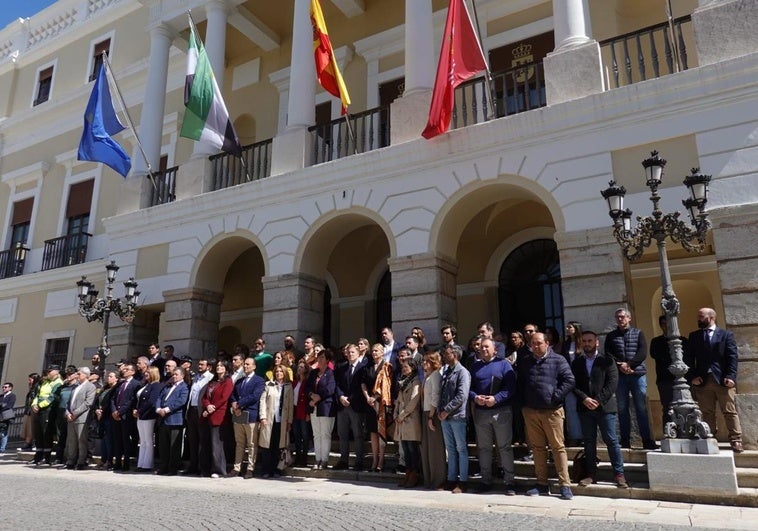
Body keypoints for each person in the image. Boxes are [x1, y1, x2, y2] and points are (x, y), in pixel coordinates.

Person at [519, 332, 575, 500]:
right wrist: (524, 403)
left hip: (552, 412)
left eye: (539, 343)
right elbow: (520, 382)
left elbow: (569, 380)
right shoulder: (525, 361)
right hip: (531, 411)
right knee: (537, 448)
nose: (535, 346)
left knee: (558, 448)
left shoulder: (558, 360)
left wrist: (555, 396)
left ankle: (565, 485)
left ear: (547, 343)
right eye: (533, 344)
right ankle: (542, 483)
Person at [571, 331, 627, 488]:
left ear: (597, 343)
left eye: (590, 341)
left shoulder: (608, 361)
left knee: (612, 441)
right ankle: (590, 474)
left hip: (605, 408)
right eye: (584, 341)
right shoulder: (576, 363)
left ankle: (619, 474)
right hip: (584, 408)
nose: (587, 343)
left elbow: (612, 383)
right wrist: (585, 399)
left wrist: (597, 400)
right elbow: (572, 384)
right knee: (589, 442)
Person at [685, 307, 744, 453]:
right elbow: (688, 358)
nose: (698, 319)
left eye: (701, 316)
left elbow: (732, 357)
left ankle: (736, 439)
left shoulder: (725, 335)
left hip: (722, 380)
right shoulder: (694, 336)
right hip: (703, 381)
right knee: (707, 412)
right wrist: (692, 377)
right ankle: (710, 438)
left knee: (729, 411)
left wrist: (731, 377)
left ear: (711, 318)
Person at [468, 338, 517, 495]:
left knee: (504, 447)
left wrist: (496, 398)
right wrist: (475, 397)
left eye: (486, 347)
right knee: (484, 448)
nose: (483, 349)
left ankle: (510, 482)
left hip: (501, 411)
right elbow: (469, 388)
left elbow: (510, 388)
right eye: (481, 347)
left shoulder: (504, 364)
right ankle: (485, 480)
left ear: (495, 349)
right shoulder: (474, 367)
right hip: (481, 412)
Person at [604, 308, 656, 450]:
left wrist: (630, 364)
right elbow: (608, 353)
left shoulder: (638, 333)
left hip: (637, 374)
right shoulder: (611, 336)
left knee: (641, 407)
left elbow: (642, 352)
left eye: (622, 317)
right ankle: (625, 440)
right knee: (622, 408)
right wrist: (620, 365)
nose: (620, 319)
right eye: (617, 317)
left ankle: (647, 440)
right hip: (620, 376)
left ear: (629, 318)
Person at [438, 344, 470, 494]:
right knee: (450, 449)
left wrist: (446, 410)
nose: (444, 355)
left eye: (448, 353)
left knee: (461, 449)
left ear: (455, 355)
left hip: (457, 416)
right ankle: (451, 479)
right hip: (445, 417)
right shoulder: (447, 371)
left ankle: (462, 481)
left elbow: (461, 396)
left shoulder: (462, 372)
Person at [333, 343, 368, 471]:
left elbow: (362, 386)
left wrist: (350, 399)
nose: (350, 354)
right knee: (343, 434)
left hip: (356, 405)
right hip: (343, 406)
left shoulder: (362, 367)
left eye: (353, 352)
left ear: (358, 353)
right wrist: (341, 396)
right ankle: (344, 460)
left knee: (358, 434)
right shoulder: (342, 367)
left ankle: (359, 461)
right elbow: (337, 384)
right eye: (348, 352)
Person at [229, 357, 265, 478]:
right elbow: (233, 395)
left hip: (251, 416)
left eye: (248, 364)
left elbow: (255, 396)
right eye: (244, 364)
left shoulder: (259, 380)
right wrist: (234, 404)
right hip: (238, 415)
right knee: (239, 443)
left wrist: (239, 404)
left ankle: (250, 468)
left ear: (254, 366)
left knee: (251, 443)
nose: (245, 366)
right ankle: (236, 468)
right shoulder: (239, 381)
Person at [362, 343, 393, 473]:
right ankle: (374, 460)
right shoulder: (367, 367)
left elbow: (387, 385)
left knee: (381, 432)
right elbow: (363, 383)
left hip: (381, 403)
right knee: (373, 432)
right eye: (373, 351)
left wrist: (375, 397)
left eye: (376, 351)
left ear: (382, 352)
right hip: (369, 403)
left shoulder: (387, 367)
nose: (374, 353)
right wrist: (368, 397)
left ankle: (381, 460)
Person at [200, 360, 234, 478]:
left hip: (219, 415)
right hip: (207, 415)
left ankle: (218, 470)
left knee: (217, 445)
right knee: (206, 444)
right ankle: (205, 469)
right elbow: (204, 397)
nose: (219, 367)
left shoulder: (228, 381)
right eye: (217, 366)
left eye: (221, 366)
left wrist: (211, 407)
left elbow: (224, 398)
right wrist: (207, 405)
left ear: (226, 368)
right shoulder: (212, 382)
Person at [258, 365, 294, 478]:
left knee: (278, 446)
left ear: (284, 373)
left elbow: (290, 405)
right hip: (269, 419)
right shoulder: (268, 385)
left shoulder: (288, 387)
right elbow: (263, 401)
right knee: (267, 446)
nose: (278, 373)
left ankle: (277, 470)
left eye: (281, 371)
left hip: (282, 420)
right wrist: (262, 417)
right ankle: (265, 470)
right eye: (277, 371)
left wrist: (289, 421)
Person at [650, 315, 687, 420]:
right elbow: (655, 354)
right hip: (665, 380)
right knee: (667, 408)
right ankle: (669, 432)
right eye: (663, 324)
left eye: (669, 323)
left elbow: (688, 358)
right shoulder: (656, 342)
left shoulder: (683, 341)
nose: (666, 326)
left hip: (684, 379)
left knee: (686, 406)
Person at [155, 367, 189, 475]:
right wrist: (158, 408)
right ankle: (163, 466)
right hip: (163, 419)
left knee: (174, 446)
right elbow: (159, 397)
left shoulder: (184, 387)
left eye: (176, 374)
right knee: (163, 445)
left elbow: (181, 401)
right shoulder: (168, 386)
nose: (174, 376)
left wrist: (167, 409)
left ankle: (173, 468)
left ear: (182, 376)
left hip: (175, 419)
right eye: (173, 374)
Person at [182, 357, 213, 476]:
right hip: (192, 411)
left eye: (202, 365)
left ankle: (203, 467)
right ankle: (192, 465)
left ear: (208, 367)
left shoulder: (210, 378)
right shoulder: (195, 378)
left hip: (202, 412)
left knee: (203, 441)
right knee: (192, 440)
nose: (199, 366)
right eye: (199, 364)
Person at [420, 351, 446, 490]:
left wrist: (431, 416)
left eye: (426, 361)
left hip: (433, 413)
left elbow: (435, 397)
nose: (424, 363)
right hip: (425, 412)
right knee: (428, 447)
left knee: (435, 448)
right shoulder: (427, 376)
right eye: (423, 361)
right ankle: (429, 478)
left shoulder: (436, 376)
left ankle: (439, 479)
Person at [394, 359, 422, 488]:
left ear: (412, 367)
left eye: (406, 367)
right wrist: (396, 413)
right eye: (402, 367)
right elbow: (398, 400)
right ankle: (407, 473)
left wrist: (402, 415)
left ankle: (414, 475)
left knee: (412, 449)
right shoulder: (403, 381)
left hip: (410, 419)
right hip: (402, 419)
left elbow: (413, 401)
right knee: (405, 449)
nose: (403, 368)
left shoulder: (415, 381)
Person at [307, 350, 336, 470]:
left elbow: (330, 389)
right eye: (318, 357)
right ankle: (317, 459)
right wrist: (311, 395)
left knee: (325, 434)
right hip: (314, 406)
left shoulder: (331, 373)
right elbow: (308, 386)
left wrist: (318, 397)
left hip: (326, 407)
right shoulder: (313, 373)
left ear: (328, 360)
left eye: (322, 357)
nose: (320, 359)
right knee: (316, 434)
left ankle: (324, 460)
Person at [63, 367, 96, 469]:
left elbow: (88, 403)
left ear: (86, 375)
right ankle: (70, 461)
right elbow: (68, 403)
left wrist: (75, 413)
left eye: (79, 374)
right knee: (71, 440)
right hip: (71, 417)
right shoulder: (75, 387)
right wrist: (67, 413)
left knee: (81, 440)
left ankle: (81, 461)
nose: (77, 376)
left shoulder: (90, 387)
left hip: (81, 418)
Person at [31, 366, 63, 465]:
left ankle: (46, 457)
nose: (47, 373)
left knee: (46, 434)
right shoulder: (45, 382)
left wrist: (39, 406)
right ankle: (38, 456)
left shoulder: (58, 383)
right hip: (39, 410)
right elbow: (38, 395)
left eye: (50, 371)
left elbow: (52, 397)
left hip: (48, 410)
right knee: (38, 433)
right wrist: (34, 404)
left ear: (56, 372)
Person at [111, 363, 140, 471]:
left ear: (133, 372)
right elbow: (113, 398)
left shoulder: (136, 384)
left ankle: (126, 462)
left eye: (127, 369)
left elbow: (131, 400)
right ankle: (117, 461)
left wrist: (120, 411)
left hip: (126, 416)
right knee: (117, 440)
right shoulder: (120, 384)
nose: (124, 371)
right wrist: (114, 411)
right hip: (116, 416)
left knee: (125, 440)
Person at [134, 367, 162, 472]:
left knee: (148, 440)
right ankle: (141, 463)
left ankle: (147, 464)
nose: (146, 374)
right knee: (143, 440)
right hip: (141, 415)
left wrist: (139, 410)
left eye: (148, 373)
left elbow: (151, 401)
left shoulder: (156, 386)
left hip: (148, 415)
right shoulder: (146, 385)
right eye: (146, 373)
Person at [561, 321, 584, 447]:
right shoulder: (566, 343)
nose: (567, 329)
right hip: (569, 379)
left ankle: (586, 435)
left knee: (584, 408)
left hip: (582, 378)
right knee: (571, 408)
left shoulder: (583, 342)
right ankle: (575, 436)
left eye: (570, 327)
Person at [54, 366, 79, 464]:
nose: (68, 376)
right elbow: (56, 397)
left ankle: (71, 458)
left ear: (75, 375)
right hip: (61, 414)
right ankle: (59, 457)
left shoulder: (77, 387)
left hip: (72, 414)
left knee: (72, 437)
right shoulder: (62, 387)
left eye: (70, 374)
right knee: (61, 436)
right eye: (66, 374)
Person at [95, 371, 118, 470]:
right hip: (101, 416)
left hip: (109, 416)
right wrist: (97, 410)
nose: (108, 378)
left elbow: (111, 402)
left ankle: (109, 460)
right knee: (103, 439)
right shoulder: (104, 388)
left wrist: (103, 411)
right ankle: (103, 459)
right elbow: (97, 400)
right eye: (108, 376)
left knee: (109, 439)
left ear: (116, 378)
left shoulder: (116, 389)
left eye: (111, 376)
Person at [292, 359, 312, 467]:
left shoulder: (307, 382)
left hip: (304, 411)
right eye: (299, 367)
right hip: (295, 411)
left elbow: (308, 399)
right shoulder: (294, 382)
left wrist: (308, 413)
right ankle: (298, 457)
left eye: (302, 367)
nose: (300, 369)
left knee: (305, 435)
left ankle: (304, 457)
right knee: (296, 435)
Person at [21, 373, 41, 450]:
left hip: (32, 410)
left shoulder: (37, 387)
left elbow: (35, 398)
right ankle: (28, 442)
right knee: (27, 428)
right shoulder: (32, 388)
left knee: (31, 428)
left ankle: (30, 443)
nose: (29, 381)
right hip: (28, 410)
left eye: (30, 379)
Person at [0, 382, 16, 454]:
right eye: (3, 387)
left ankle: (2, 448)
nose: (3, 388)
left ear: (10, 388)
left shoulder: (12, 396)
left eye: (5, 387)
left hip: (6, 416)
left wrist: (2, 405)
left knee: (3, 432)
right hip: (0, 415)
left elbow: (9, 406)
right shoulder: (1, 396)